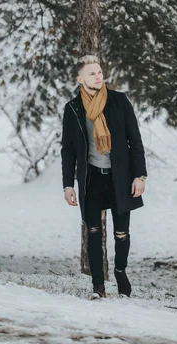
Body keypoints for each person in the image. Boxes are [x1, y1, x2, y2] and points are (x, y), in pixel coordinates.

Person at [61, 55, 147, 299]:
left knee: (122, 234)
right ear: (80, 79)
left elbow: (135, 141)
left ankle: (120, 270)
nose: (98, 76)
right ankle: (98, 286)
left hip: (119, 178)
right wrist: (68, 184)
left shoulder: (119, 101)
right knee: (94, 232)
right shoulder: (73, 109)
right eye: (92, 73)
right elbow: (67, 150)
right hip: (92, 180)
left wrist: (140, 176)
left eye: (99, 72)